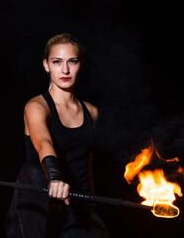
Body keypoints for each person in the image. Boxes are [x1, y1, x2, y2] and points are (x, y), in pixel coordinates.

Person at [6, 33, 109, 238]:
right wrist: (54, 177)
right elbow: (43, 143)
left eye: (72, 61)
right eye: (57, 62)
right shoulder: (37, 106)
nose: (65, 70)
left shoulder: (92, 112)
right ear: (46, 65)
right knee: (33, 170)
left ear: (81, 64)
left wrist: (91, 206)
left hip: (76, 208)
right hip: (37, 206)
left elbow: (86, 164)